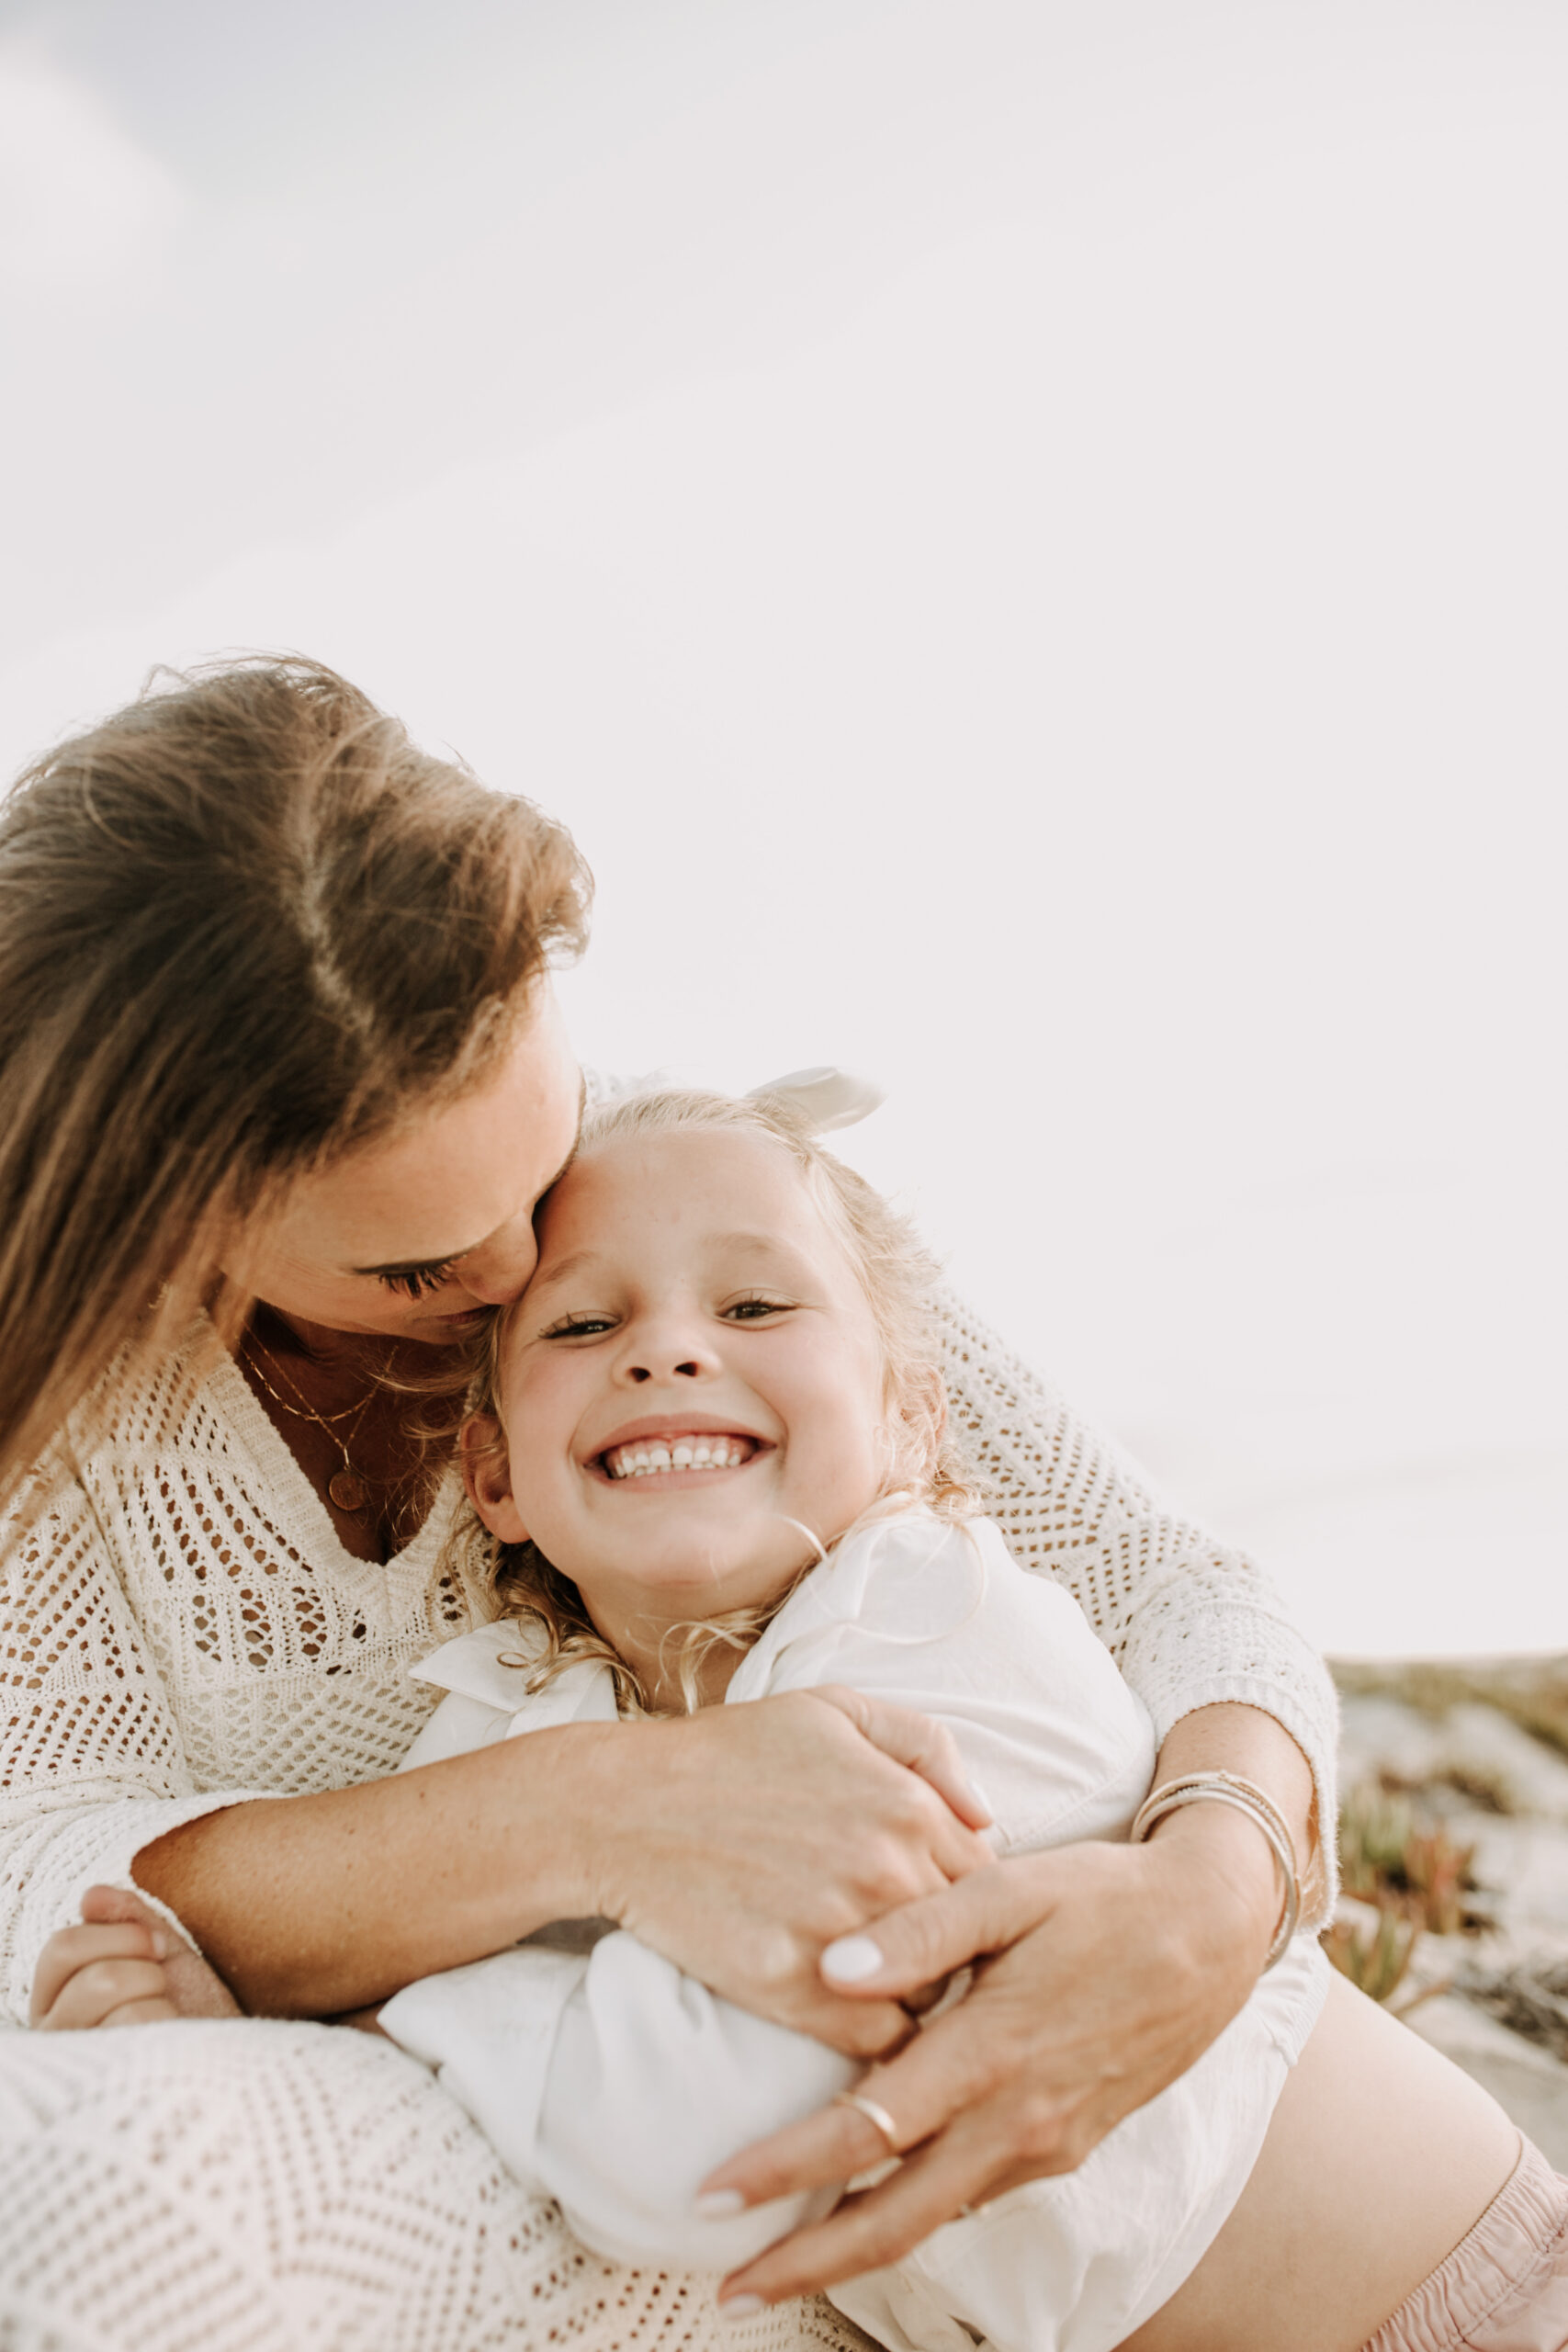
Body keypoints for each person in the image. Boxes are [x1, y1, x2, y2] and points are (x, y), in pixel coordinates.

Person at [3, 657, 1342, 2352]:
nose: (518, 1273)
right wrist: (597, 1810)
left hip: (1292, 2204)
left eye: (541, 1152)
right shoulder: (60, 1423)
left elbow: (1181, 1589)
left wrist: (1208, 1901)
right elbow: (36, 1868)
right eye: (422, 1263)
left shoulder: (684, 1209)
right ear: (162, 1225)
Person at [343, 1088, 1539, 2352]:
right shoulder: (533, 1701)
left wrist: (391, 2023)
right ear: (491, 1473)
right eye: (586, 1322)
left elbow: (695, 2146)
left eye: (754, 1304)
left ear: (909, 1420)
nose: (668, 1350)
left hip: (1464, 2301)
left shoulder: (936, 1624)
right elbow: (393, 1906)